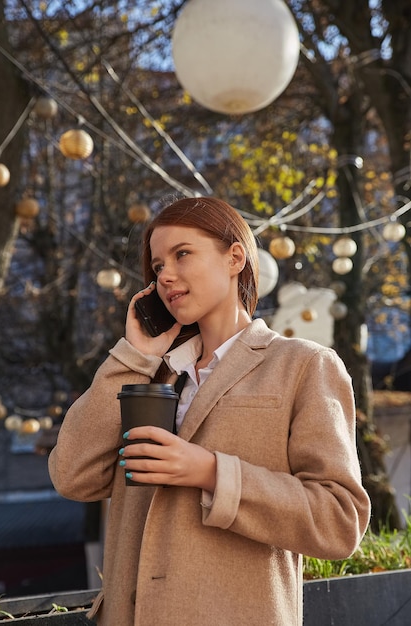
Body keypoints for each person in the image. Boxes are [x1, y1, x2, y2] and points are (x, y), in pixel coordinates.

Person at [49, 196, 371, 626]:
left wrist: (212, 473)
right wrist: (134, 356)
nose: (166, 275)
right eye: (158, 265)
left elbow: (339, 519)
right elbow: (72, 474)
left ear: (235, 256)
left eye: (182, 254)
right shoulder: (153, 374)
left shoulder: (304, 365)